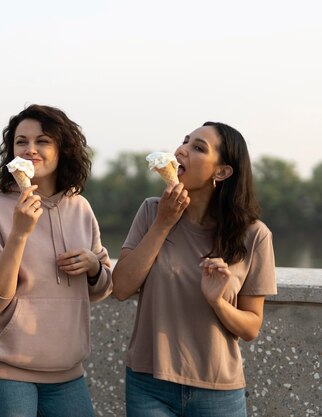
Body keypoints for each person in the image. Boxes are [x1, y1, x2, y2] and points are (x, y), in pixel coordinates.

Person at [112, 122, 277, 417]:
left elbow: (251, 327)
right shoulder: (152, 211)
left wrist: (217, 302)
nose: (181, 151)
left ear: (222, 171)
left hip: (219, 392)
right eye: (185, 142)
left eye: (198, 148)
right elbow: (122, 287)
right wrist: (163, 223)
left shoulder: (254, 235)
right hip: (149, 384)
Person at [0, 104, 113, 417]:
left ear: (62, 150)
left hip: (67, 374)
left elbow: (101, 290)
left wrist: (95, 268)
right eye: (21, 142)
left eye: (42, 141)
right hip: (3, 373)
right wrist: (19, 234)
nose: (31, 149)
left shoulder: (81, 208)